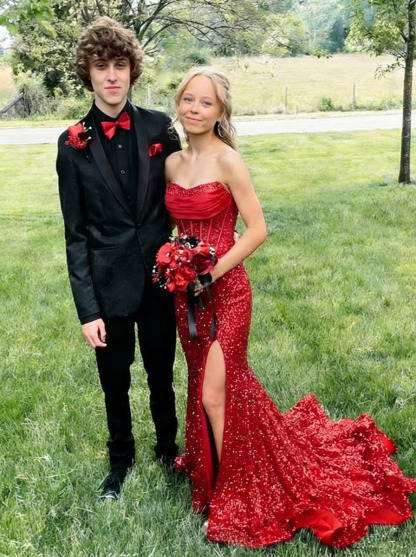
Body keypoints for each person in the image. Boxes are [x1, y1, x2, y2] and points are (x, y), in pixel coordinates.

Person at [163, 66, 416, 548]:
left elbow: (257, 230)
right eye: (188, 99)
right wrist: (175, 264)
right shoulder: (172, 164)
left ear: (220, 112)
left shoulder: (229, 161)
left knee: (214, 394)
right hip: (187, 297)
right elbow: (176, 228)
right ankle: (214, 467)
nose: (195, 109)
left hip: (227, 292)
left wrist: (209, 273)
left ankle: (234, 495)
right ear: (179, 102)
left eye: (206, 102)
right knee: (211, 386)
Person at [56, 16, 181, 500]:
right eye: (101, 66)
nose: (112, 76)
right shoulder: (72, 143)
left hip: (160, 279)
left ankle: (168, 451)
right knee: (114, 381)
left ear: (132, 70)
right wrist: (87, 310)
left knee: (161, 374)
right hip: (108, 287)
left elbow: (183, 195)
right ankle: (119, 461)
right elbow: (75, 235)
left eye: (120, 65)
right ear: (87, 73)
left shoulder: (159, 127)